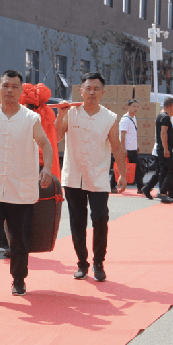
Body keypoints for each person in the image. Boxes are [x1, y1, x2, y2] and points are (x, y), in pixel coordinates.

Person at [0, 70, 54, 300]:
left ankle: (18, 279)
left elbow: (46, 145)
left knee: (19, 239)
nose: (9, 90)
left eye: (15, 87)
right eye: (5, 86)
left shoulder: (30, 118)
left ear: (21, 91)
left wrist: (47, 168)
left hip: (20, 190)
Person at [55, 72, 127, 282]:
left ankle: (98, 262)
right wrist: (60, 115)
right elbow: (57, 136)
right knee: (77, 221)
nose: (92, 92)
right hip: (73, 175)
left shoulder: (109, 118)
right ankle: (82, 263)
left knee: (100, 219)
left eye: (96, 89)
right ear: (81, 91)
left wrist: (122, 174)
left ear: (103, 92)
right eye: (88, 88)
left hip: (98, 176)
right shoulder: (71, 112)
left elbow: (117, 147)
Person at [141, 97, 173, 204]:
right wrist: (166, 149)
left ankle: (147, 188)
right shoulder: (165, 117)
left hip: (164, 148)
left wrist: (172, 147)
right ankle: (163, 193)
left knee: (162, 171)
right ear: (171, 106)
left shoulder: (161, 115)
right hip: (164, 149)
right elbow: (163, 133)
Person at [110, 99, 145, 193]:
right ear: (128, 107)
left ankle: (140, 187)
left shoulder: (134, 118)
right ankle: (140, 187)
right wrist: (123, 149)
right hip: (127, 149)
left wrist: (136, 144)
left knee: (134, 168)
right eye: (134, 106)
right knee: (122, 168)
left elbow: (133, 134)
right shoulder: (125, 119)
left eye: (137, 107)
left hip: (132, 148)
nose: (136, 108)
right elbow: (122, 135)